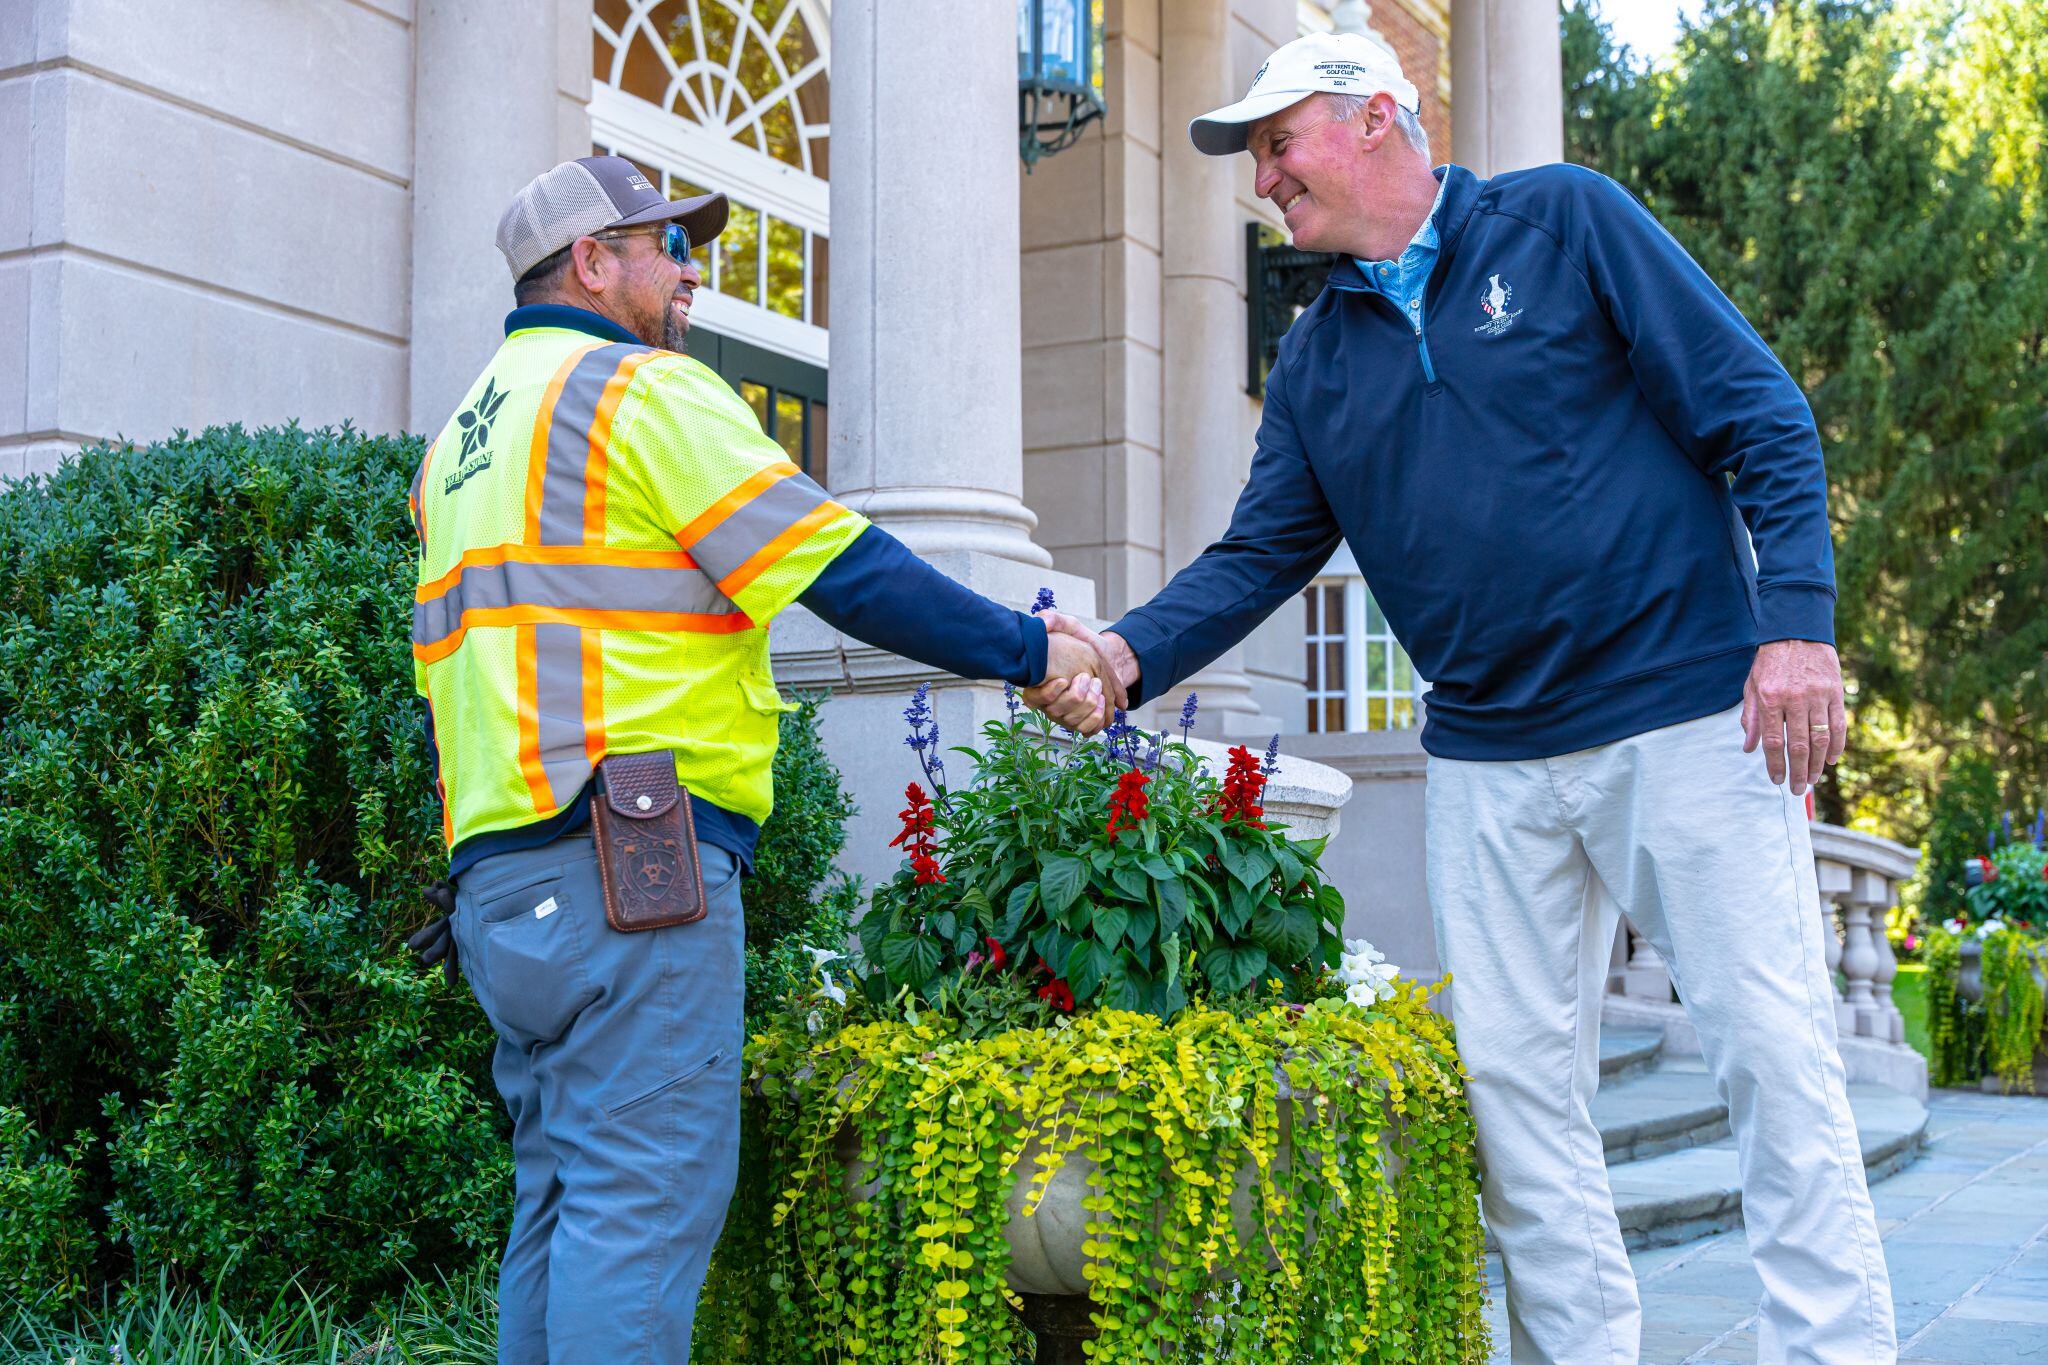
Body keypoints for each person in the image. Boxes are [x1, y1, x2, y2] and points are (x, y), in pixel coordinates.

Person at [1029, 33, 1895, 1364]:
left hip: (1682, 718)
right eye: (1255, 155)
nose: (1263, 178)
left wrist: (1799, 629)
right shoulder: (1320, 360)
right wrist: (1127, 657)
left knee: (1773, 1061)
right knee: (1517, 1110)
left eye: (1279, 141)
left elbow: (1761, 415)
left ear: (1379, 117)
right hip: (1490, 759)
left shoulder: (1564, 223)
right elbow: (1260, 554)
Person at [406, 155, 1116, 1365]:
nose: (691, 273)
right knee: (639, 1209)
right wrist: (1026, 649)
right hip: (626, 869)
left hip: (500, 889)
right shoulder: (635, 392)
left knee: (561, 1208)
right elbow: (843, 569)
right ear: (591, 262)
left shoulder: (458, 445)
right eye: (668, 247)